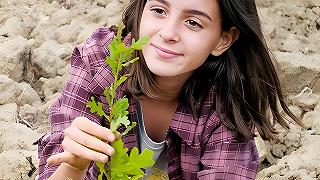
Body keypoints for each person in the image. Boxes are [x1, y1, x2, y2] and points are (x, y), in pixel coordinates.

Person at [36, 0, 303, 179]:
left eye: (193, 23)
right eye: (159, 10)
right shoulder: (100, 61)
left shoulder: (227, 107)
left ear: (223, 40)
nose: (168, 32)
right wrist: (73, 167)